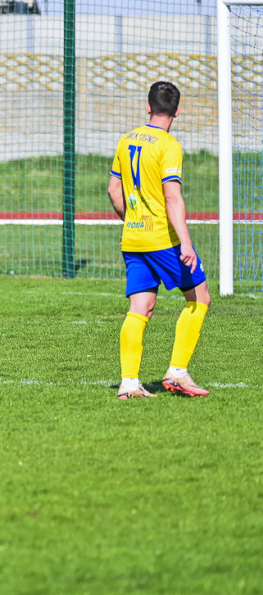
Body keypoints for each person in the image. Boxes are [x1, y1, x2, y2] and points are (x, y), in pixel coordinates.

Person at [108, 81, 210, 399]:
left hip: (133, 238)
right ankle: (177, 372)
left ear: (148, 106)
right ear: (177, 111)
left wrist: (132, 221)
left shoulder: (126, 140)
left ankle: (128, 383)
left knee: (141, 307)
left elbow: (113, 190)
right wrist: (187, 242)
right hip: (162, 240)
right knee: (200, 297)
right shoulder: (168, 145)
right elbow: (173, 197)